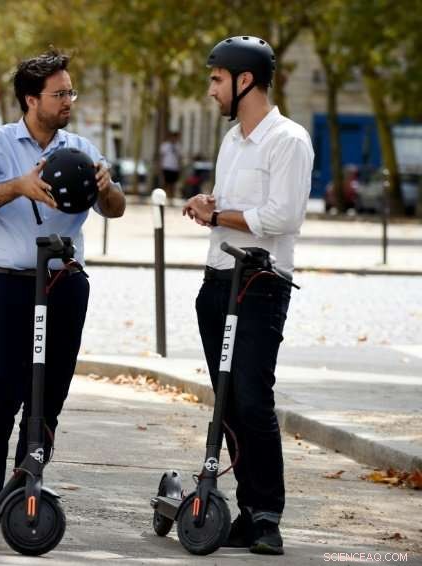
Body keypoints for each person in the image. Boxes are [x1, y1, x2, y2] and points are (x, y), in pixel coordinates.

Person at [0, 50, 126, 526]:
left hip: (64, 282)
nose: (68, 100)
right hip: (6, 283)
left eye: (70, 91)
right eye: (59, 93)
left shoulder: (82, 147)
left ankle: (24, 483)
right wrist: (19, 186)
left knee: (50, 392)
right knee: (2, 389)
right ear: (32, 99)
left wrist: (108, 188)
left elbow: (116, 208)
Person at [182, 36, 314, 555]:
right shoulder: (234, 139)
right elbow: (237, 209)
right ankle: (241, 509)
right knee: (228, 402)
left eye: (217, 80)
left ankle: (267, 516)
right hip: (217, 281)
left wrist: (217, 215)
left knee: (255, 399)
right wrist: (209, 203)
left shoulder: (289, 140)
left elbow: (282, 216)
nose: (211, 90)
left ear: (244, 81)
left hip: (260, 286)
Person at [159, 131, 182, 205]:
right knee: (166, 184)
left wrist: (179, 167)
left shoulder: (178, 146)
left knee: (173, 184)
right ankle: (164, 198)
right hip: (166, 167)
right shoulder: (165, 146)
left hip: (175, 168)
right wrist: (160, 166)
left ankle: (171, 199)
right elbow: (161, 156)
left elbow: (179, 157)